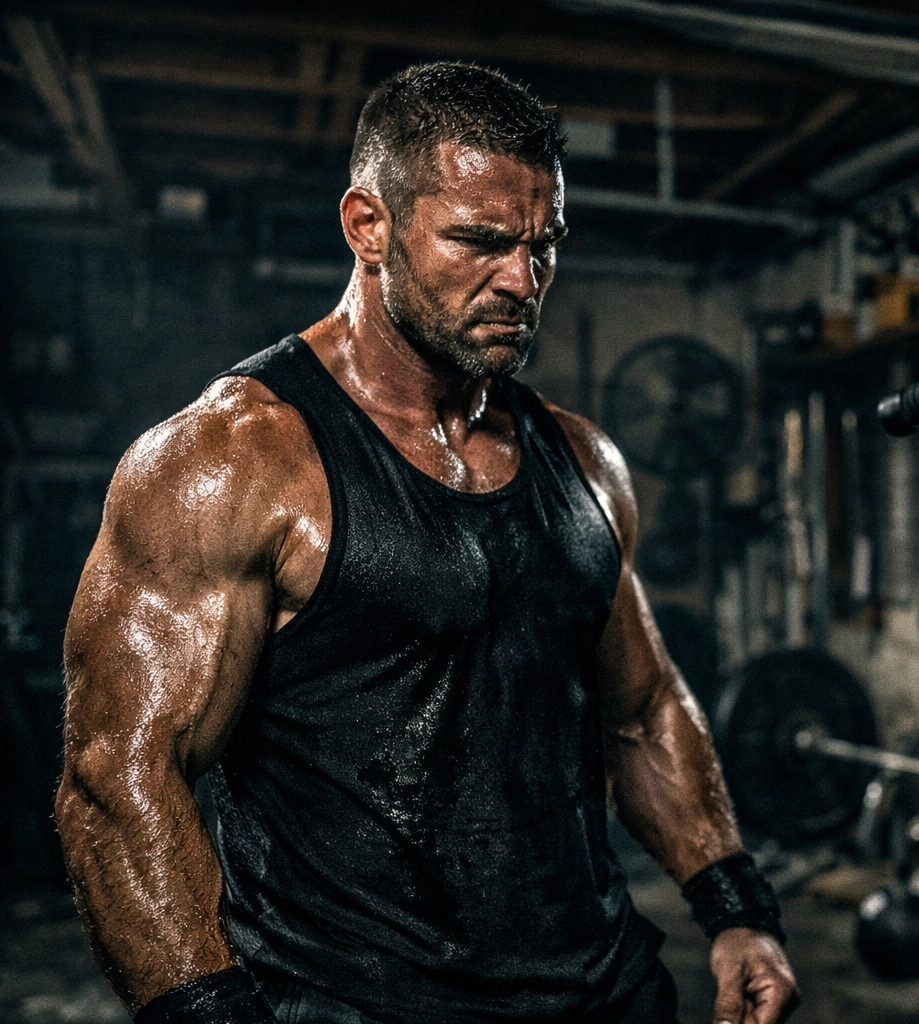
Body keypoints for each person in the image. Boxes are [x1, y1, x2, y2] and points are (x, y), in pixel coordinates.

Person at [56, 62, 798, 1024]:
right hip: (352, 1002)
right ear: (369, 227)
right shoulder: (235, 462)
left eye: (544, 245)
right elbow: (118, 776)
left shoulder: (583, 460)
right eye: (481, 241)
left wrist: (738, 912)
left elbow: (644, 708)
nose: (522, 281)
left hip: (605, 990)